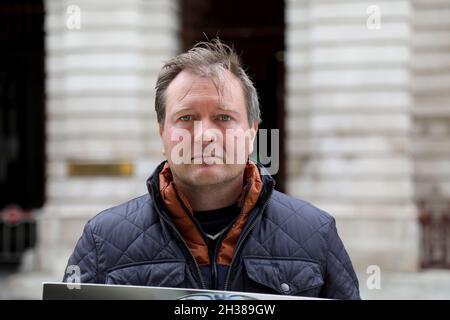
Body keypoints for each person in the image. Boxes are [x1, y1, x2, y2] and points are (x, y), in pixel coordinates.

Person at [63, 39, 360, 299]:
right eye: (187, 118)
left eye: (224, 117)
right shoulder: (102, 240)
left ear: (252, 132)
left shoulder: (316, 233)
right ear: (162, 132)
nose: (205, 135)